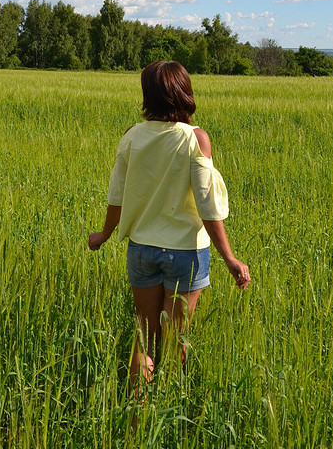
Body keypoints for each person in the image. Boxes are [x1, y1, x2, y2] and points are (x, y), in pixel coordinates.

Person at [88, 60, 250, 385]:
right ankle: (171, 414)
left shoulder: (132, 135)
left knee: (145, 335)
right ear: (184, 92)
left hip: (141, 249)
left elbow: (117, 195)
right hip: (185, 255)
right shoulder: (196, 138)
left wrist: (104, 234)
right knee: (176, 339)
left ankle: (137, 412)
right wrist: (229, 257)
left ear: (148, 94)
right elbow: (208, 205)